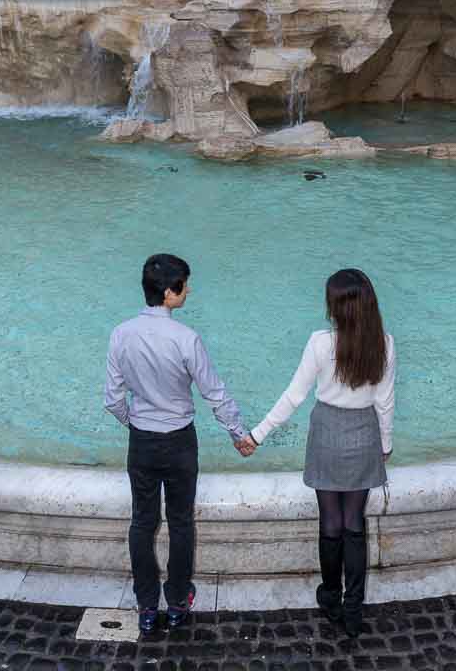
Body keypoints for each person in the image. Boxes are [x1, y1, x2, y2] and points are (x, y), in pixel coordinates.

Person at [239, 269, 395, 638]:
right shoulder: (384, 344)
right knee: (354, 524)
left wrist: (257, 435)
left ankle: (330, 596)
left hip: (327, 433)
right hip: (363, 434)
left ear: (336, 307)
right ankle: (354, 609)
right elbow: (385, 402)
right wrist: (385, 445)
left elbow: (294, 396)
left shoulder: (320, 343)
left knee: (331, 522)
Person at [104, 253, 250, 635]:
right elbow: (214, 394)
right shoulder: (187, 339)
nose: (189, 289)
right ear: (170, 293)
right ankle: (178, 601)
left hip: (143, 440)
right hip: (180, 440)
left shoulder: (121, 333)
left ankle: (147, 604)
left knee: (143, 521)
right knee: (181, 522)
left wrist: (134, 422)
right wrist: (238, 433)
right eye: (184, 284)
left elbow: (112, 398)